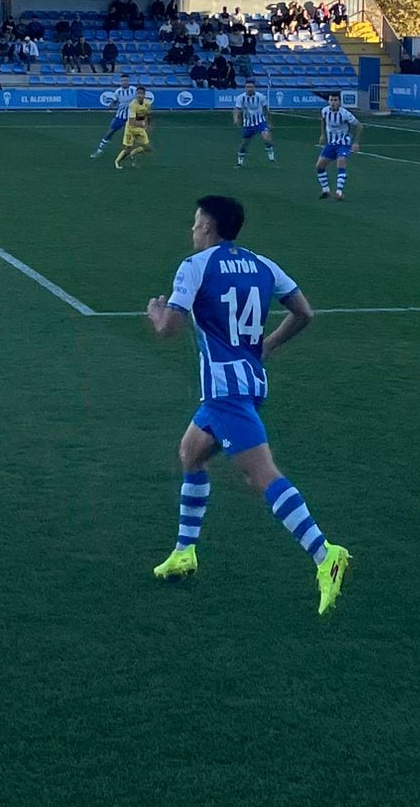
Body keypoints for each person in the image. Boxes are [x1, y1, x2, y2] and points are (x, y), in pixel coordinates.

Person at [145, 194, 350, 615]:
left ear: (208, 227)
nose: (192, 229)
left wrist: (155, 312)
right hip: (248, 382)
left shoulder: (194, 267)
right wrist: (269, 344)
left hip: (225, 391)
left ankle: (325, 554)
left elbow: (168, 329)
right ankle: (185, 551)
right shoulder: (262, 264)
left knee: (261, 476)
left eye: (195, 222)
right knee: (191, 453)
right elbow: (304, 312)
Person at [314, 91, 361, 200]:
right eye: (331, 100)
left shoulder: (344, 113)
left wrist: (356, 142)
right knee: (319, 166)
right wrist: (322, 134)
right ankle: (326, 190)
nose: (333, 102)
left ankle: (339, 192)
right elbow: (323, 121)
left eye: (335, 100)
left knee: (340, 163)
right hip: (331, 144)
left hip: (343, 144)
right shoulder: (325, 111)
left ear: (339, 102)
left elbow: (359, 126)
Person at [90, 74, 138, 159]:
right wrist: (111, 105)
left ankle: (131, 153)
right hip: (120, 116)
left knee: (131, 135)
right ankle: (100, 150)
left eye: (126, 80)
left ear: (128, 81)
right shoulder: (118, 91)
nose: (124, 82)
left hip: (131, 117)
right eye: (123, 81)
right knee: (110, 132)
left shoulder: (134, 90)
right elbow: (115, 100)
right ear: (121, 82)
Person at [232, 80, 275, 166]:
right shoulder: (241, 97)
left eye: (251, 87)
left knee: (266, 138)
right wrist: (235, 118)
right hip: (248, 124)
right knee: (244, 144)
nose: (249, 89)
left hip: (260, 122)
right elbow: (237, 109)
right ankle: (240, 162)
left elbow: (266, 110)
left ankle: (272, 158)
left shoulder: (260, 96)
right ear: (245, 88)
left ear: (254, 88)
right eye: (247, 87)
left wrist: (269, 122)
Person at [114, 86, 155, 170]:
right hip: (130, 129)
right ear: (136, 94)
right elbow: (132, 122)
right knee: (127, 150)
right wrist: (144, 125)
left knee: (148, 148)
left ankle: (133, 152)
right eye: (138, 93)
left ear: (144, 95)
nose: (139, 95)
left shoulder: (147, 103)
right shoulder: (133, 105)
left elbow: (148, 114)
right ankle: (117, 162)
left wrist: (149, 124)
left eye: (141, 93)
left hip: (140, 128)